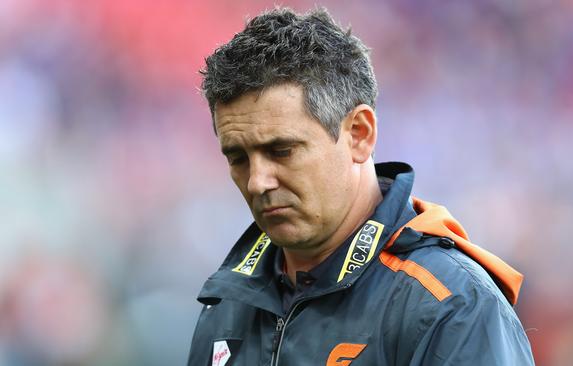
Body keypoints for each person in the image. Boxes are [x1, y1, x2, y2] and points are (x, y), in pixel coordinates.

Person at [188, 7, 534, 366]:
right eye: (238, 158)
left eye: (282, 151)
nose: (258, 181)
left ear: (359, 134)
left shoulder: (451, 307)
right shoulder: (228, 305)